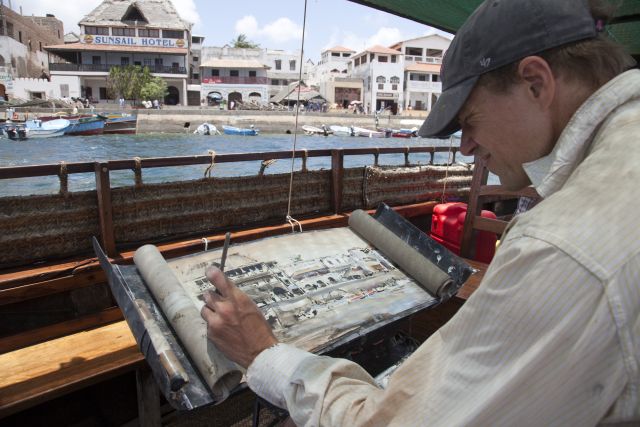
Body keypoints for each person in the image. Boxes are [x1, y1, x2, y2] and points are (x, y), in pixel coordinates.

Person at [201, 0, 640, 425]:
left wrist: (262, 353)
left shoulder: (561, 246)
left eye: (469, 120)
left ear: (535, 83)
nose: (466, 146)